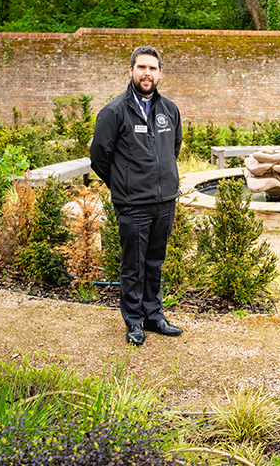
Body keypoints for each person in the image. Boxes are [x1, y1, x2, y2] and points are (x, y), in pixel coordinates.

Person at [90, 45, 183, 345]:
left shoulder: (169, 110)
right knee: (134, 265)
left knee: (155, 262)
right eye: (142, 67)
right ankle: (133, 321)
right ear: (130, 71)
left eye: (153, 68)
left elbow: (174, 149)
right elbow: (98, 157)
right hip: (133, 205)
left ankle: (154, 316)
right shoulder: (114, 112)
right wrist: (123, 185)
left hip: (164, 202)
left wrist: (163, 183)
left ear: (159, 73)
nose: (147, 73)